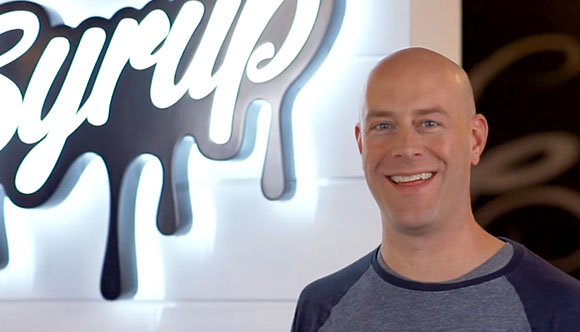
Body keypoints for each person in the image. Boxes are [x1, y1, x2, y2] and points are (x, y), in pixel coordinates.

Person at [291, 47, 580, 331]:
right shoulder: (321, 308)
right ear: (361, 144)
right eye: (383, 126)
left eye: (429, 123)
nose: (406, 148)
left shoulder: (559, 306)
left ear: (475, 140)